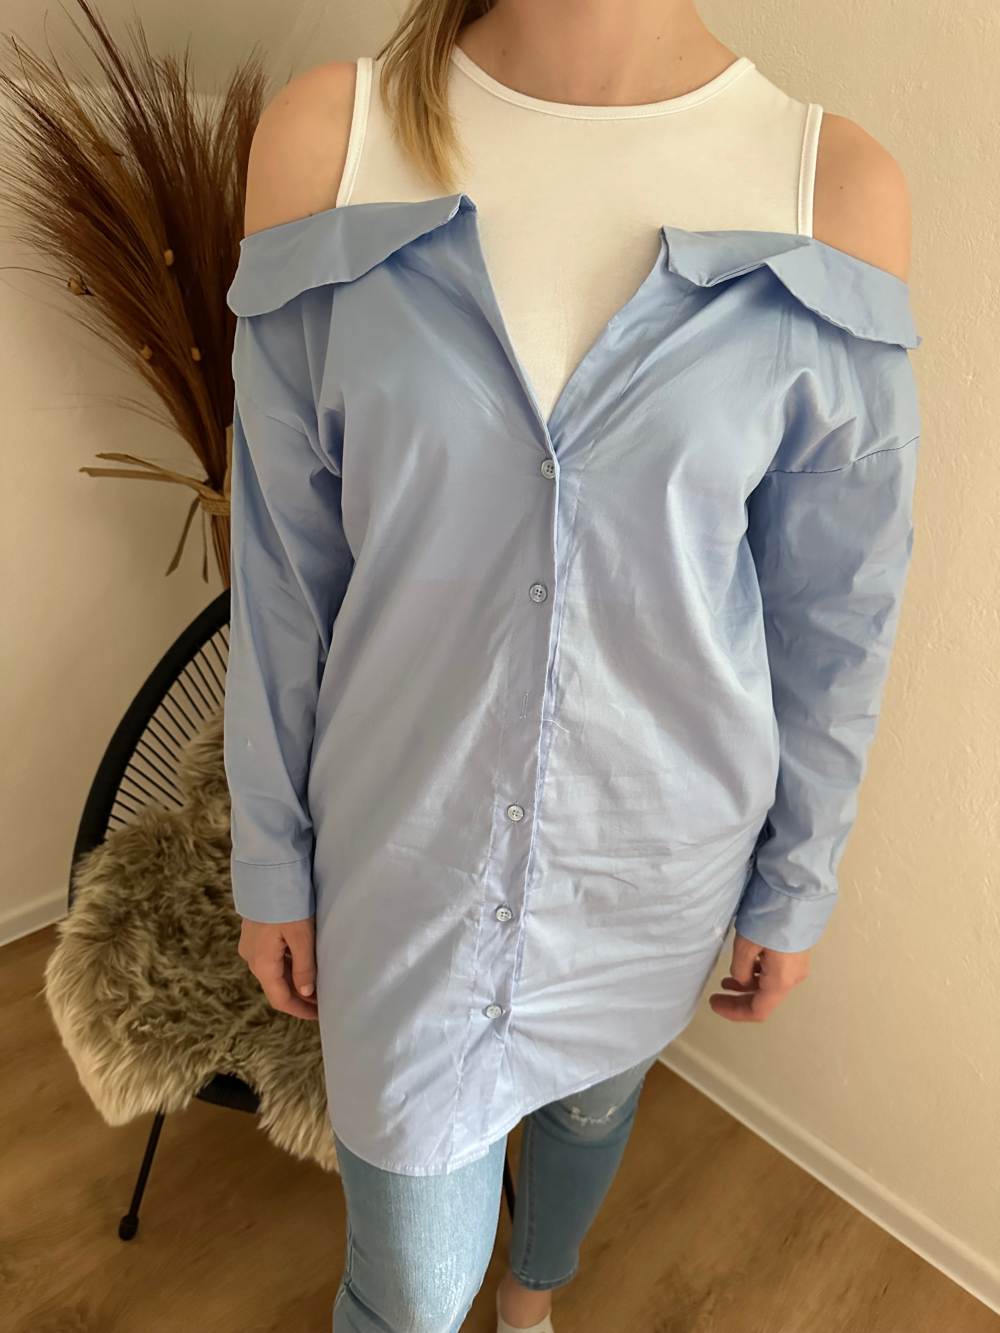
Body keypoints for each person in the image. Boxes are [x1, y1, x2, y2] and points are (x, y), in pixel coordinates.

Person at [224, 1, 922, 1329]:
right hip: (405, 873)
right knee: (407, 1292)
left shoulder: (832, 191)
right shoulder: (330, 140)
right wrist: (271, 853)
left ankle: (536, 1291)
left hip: (657, 865)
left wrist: (795, 881)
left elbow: (834, 615)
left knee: (592, 1113)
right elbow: (280, 566)